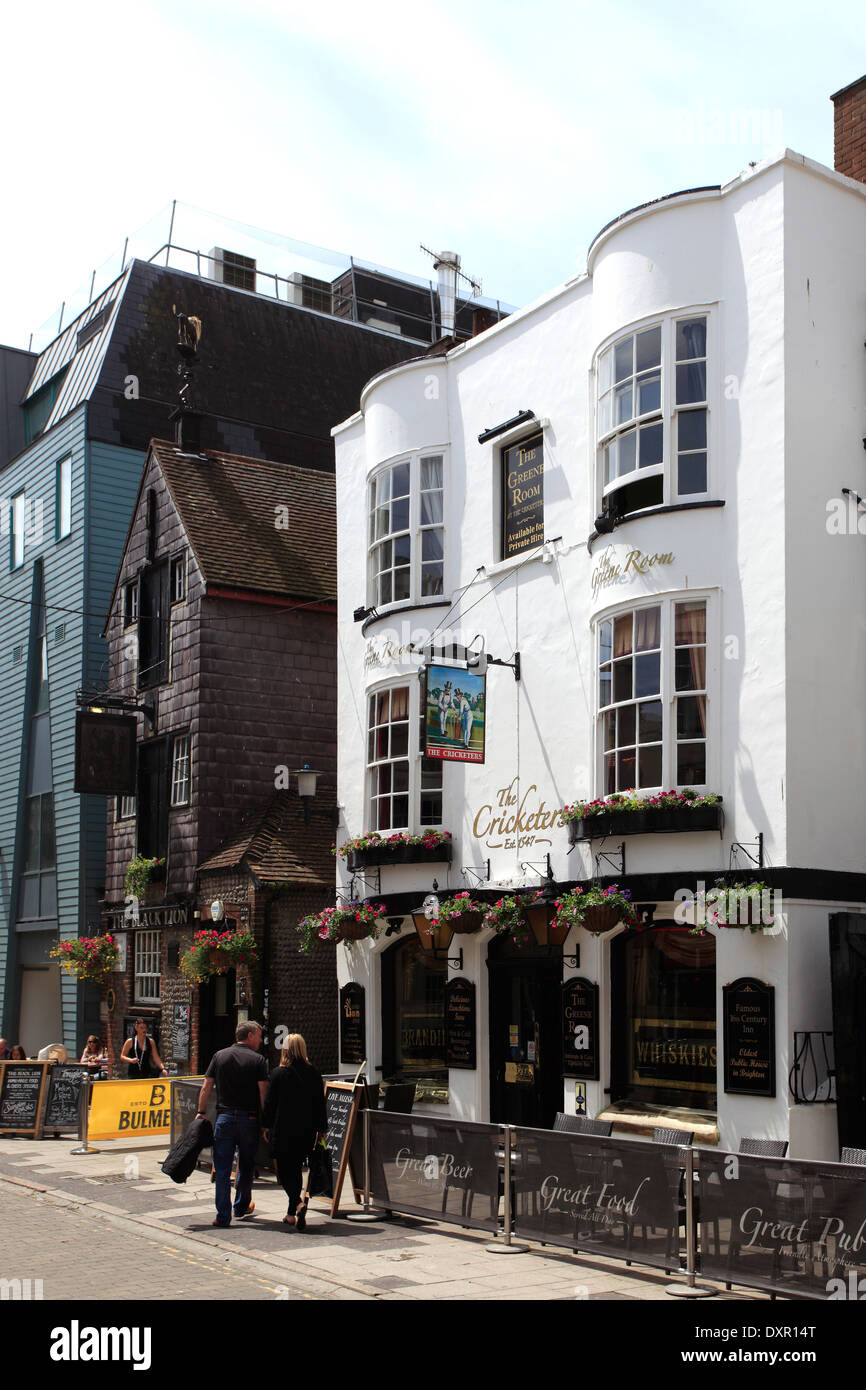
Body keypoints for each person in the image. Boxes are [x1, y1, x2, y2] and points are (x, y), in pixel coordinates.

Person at [195, 1020, 268, 1228]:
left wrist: (200, 1112)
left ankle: (223, 1215)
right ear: (250, 1035)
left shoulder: (220, 1056)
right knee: (246, 1165)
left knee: (223, 1168)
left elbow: (206, 1085)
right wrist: (266, 1123)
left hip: (224, 1119)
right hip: (249, 1119)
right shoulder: (258, 1060)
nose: (261, 1041)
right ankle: (241, 1206)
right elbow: (264, 1093)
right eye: (259, 1036)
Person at [262, 1033, 326, 1230]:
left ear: (285, 1050)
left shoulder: (279, 1074)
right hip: (306, 1131)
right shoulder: (313, 1073)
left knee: (283, 1171)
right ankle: (291, 1214)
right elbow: (319, 1103)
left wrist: (265, 1125)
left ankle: (298, 1203)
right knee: (297, 1168)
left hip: (283, 1130)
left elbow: (270, 1104)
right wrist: (322, 1129)